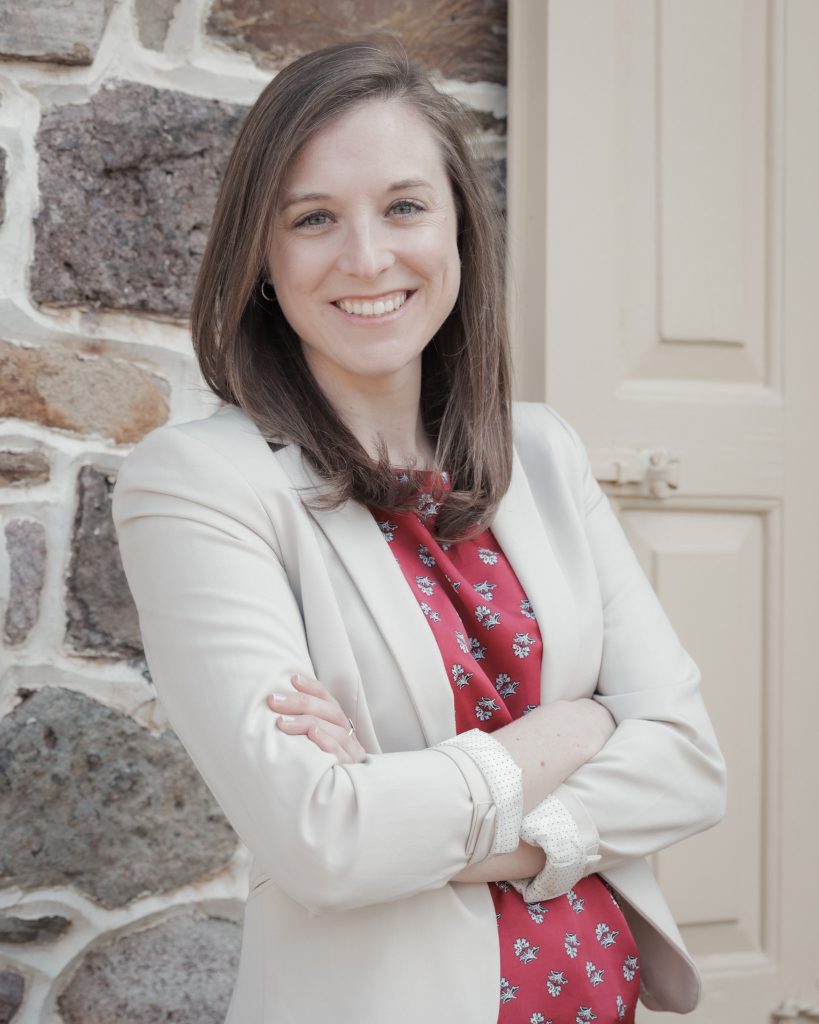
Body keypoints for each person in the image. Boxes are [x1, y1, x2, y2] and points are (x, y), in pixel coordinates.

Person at [112, 40, 726, 1024]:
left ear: (458, 230)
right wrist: (579, 728)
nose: (366, 257)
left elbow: (691, 762)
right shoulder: (199, 486)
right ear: (261, 258)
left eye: (404, 206)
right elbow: (325, 840)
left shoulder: (546, 455)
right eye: (313, 219)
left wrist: (450, 816)